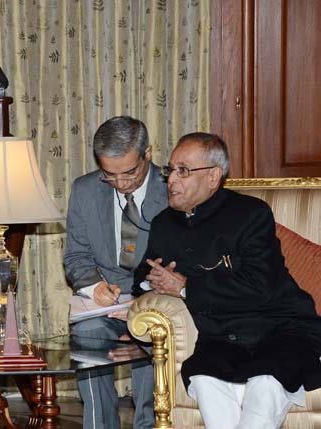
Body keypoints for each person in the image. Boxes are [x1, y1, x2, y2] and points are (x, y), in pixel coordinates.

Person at [134, 132, 321, 429]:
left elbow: (258, 286)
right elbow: (143, 275)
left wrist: (183, 286)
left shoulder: (251, 214)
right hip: (220, 340)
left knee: (264, 391)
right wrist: (154, 282)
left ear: (213, 176)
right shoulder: (164, 224)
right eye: (170, 170)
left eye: (183, 171)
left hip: (281, 330)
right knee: (205, 381)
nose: (171, 180)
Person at [64, 116, 167, 429]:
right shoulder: (84, 190)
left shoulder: (172, 188)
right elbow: (76, 256)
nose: (121, 184)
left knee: (152, 331)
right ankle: (98, 424)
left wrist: (144, 303)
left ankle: (149, 423)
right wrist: (94, 286)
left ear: (147, 154)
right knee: (87, 332)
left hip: (156, 297)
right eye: (110, 175)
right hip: (106, 300)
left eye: (130, 173)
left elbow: (184, 259)